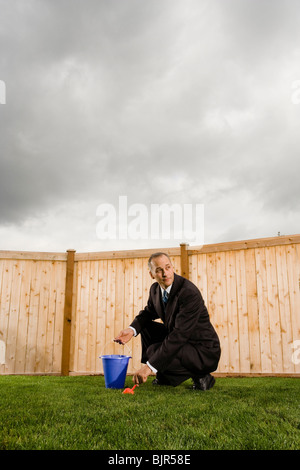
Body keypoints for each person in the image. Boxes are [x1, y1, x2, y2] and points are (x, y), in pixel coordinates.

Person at [114, 252, 221, 390]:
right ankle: (163, 374)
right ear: (151, 274)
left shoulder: (188, 292)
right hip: (182, 342)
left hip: (202, 350)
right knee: (146, 331)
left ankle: (201, 376)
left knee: (154, 352)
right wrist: (132, 330)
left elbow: (179, 335)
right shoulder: (155, 290)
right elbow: (147, 313)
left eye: (168, 267)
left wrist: (149, 367)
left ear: (172, 267)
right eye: (159, 270)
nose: (165, 273)